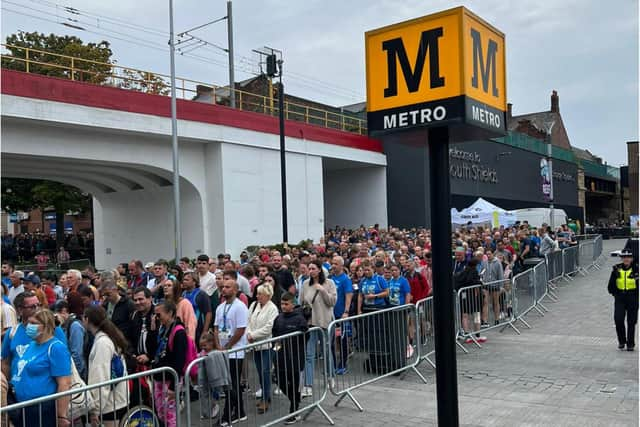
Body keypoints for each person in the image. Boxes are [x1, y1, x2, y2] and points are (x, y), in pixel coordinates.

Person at [8, 309, 71, 427]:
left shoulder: (56, 348)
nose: (28, 326)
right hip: (22, 406)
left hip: (42, 408)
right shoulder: (32, 345)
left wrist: (61, 415)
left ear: (45, 326)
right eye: (28, 322)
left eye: (33, 323)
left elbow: (64, 383)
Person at [83, 305, 130, 426]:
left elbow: (101, 376)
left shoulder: (102, 343)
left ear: (87, 319)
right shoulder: (108, 337)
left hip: (110, 404)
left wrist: (95, 409)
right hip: (115, 400)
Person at [213, 270, 248, 426]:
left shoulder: (240, 307)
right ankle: (240, 411)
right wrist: (218, 345)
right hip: (223, 350)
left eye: (228, 287)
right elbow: (216, 328)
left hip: (235, 352)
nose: (224, 289)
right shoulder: (220, 307)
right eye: (223, 286)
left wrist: (227, 346)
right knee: (228, 384)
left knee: (231, 384)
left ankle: (227, 415)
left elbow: (240, 330)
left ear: (235, 290)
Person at [299, 260, 336, 397]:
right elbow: (302, 302)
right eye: (309, 268)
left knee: (326, 352)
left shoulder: (329, 283)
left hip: (325, 322)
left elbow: (332, 302)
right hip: (310, 323)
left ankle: (330, 376)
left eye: (313, 268)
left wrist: (323, 291)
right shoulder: (305, 284)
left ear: (319, 269)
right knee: (309, 354)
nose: (311, 270)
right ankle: (308, 385)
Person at [272, 292, 307, 425]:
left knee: (294, 383)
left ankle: (294, 410)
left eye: (286, 304)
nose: (283, 306)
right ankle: (295, 400)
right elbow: (274, 334)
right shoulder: (279, 318)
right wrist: (275, 348)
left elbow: (305, 335)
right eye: (282, 303)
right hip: (280, 357)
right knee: (279, 381)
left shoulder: (299, 319)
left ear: (293, 304)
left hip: (295, 358)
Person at [151, 301, 187, 427]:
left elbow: (179, 360)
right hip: (159, 377)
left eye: (159, 315)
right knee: (161, 413)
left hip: (170, 379)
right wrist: (153, 329)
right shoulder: (162, 329)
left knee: (170, 415)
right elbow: (154, 349)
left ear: (170, 313)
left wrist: (173, 386)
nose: (156, 318)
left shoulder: (179, 332)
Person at [246, 283, 279, 414]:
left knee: (266, 371)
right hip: (254, 344)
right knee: (260, 371)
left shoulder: (273, 308)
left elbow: (269, 327)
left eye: (260, 294)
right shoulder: (254, 305)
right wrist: (249, 333)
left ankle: (266, 398)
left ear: (268, 295)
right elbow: (248, 320)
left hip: (266, 344)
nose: (257, 296)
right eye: (257, 293)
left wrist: (252, 335)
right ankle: (266, 395)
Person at [607, 251, 639, 351]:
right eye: (624, 257)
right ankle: (621, 341)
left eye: (628, 257)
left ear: (632, 258)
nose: (626, 259)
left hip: (632, 297)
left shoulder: (636, 269)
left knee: (631, 322)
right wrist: (615, 294)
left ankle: (630, 344)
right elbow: (611, 285)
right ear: (621, 258)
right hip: (620, 297)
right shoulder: (616, 269)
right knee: (618, 319)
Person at [329, 256, 352, 375]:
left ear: (341, 266)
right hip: (330, 315)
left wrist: (346, 311)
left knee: (342, 340)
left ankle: (343, 364)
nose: (333, 265)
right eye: (332, 263)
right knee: (331, 340)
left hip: (340, 315)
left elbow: (349, 295)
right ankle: (332, 364)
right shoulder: (330, 278)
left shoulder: (345, 279)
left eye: (336, 264)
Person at [54, 300, 88, 381]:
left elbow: (77, 354)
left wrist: (74, 376)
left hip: (77, 374)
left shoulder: (75, 326)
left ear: (64, 311)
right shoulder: (63, 326)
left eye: (57, 314)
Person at [455, 258, 486, 343]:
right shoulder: (473, 271)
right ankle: (477, 334)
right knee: (476, 314)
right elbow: (471, 281)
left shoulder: (463, 271)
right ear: (476, 265)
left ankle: (467, 334)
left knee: (465, 315)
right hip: (472, 296)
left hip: (463, 295)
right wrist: (479, 283)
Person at [181, 271, 212, 344]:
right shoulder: (183, 294)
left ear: (194, 282)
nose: (184, 282)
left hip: (198, 329)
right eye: (183, 280)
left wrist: (204, 331)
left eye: (187, 280)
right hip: (185, 328)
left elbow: (208, 313)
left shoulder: (202, 294)